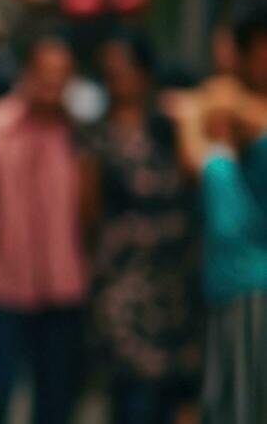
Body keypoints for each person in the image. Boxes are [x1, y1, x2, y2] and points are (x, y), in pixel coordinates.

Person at [0, 32, 90, 424]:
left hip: (63, 288)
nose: (52, 82)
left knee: (56, 404)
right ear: (27, 72)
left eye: (62, 74)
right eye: (44, 72)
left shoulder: (81, 136)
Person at [85, 31, 201, 424]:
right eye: (110, 70)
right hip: (125, 287)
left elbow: (193, 177)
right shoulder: (97, 136)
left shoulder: (169, 126)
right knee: (133, 398)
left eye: (125, 68)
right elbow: (89, 213)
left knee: (174, 397)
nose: (117, 76)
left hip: (174, 284)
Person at [172, 0, 267, 424]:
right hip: (235, 286)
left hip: (252, 288)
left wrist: (194, 119)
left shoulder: (242, 109)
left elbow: (198, 157)